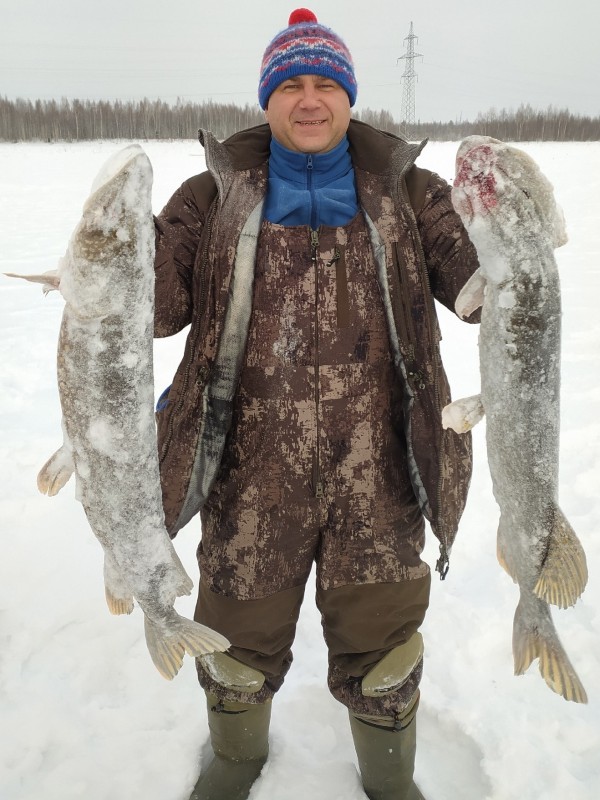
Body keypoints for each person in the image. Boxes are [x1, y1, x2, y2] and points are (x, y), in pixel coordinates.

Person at [153, 9, 480, 800]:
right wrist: (108, 259)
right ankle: (235, 759)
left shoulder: (411, 193)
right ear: (266, 99)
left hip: (384, 469)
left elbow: (479, 293)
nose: (308, 99)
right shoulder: (210, 196)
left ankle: (389, 778)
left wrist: (507, 235)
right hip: (246, 468)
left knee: (385, 640)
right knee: (235, 637)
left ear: (349, 95)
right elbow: (152, 310)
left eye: (324, 83)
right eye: (290, 84)